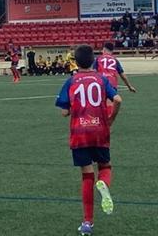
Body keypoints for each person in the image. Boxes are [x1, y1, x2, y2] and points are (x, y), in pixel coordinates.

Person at [55, 45, 122, 235]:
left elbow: (64, 112)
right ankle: (104, 184)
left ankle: (87, 223)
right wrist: (111, 119)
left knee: (86, 175)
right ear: (94, 61)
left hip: (80, 132)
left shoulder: (71, 81)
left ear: (75, 61)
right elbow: (117, 100)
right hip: (100, 130)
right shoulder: (101, 79)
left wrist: (69, 109)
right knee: (105, 166)